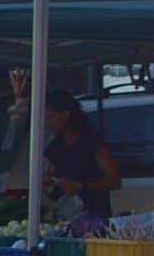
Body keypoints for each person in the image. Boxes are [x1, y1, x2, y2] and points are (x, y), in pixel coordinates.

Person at [43, 89, 121, 232]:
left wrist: (80, 185)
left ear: (66, 115)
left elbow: (115, 181)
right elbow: (55, 191)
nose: (46, 123)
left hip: (95, 222)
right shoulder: (54, 148)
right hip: (65, 222)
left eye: (50, 117)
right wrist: (49, 184)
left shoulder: (92, 143)